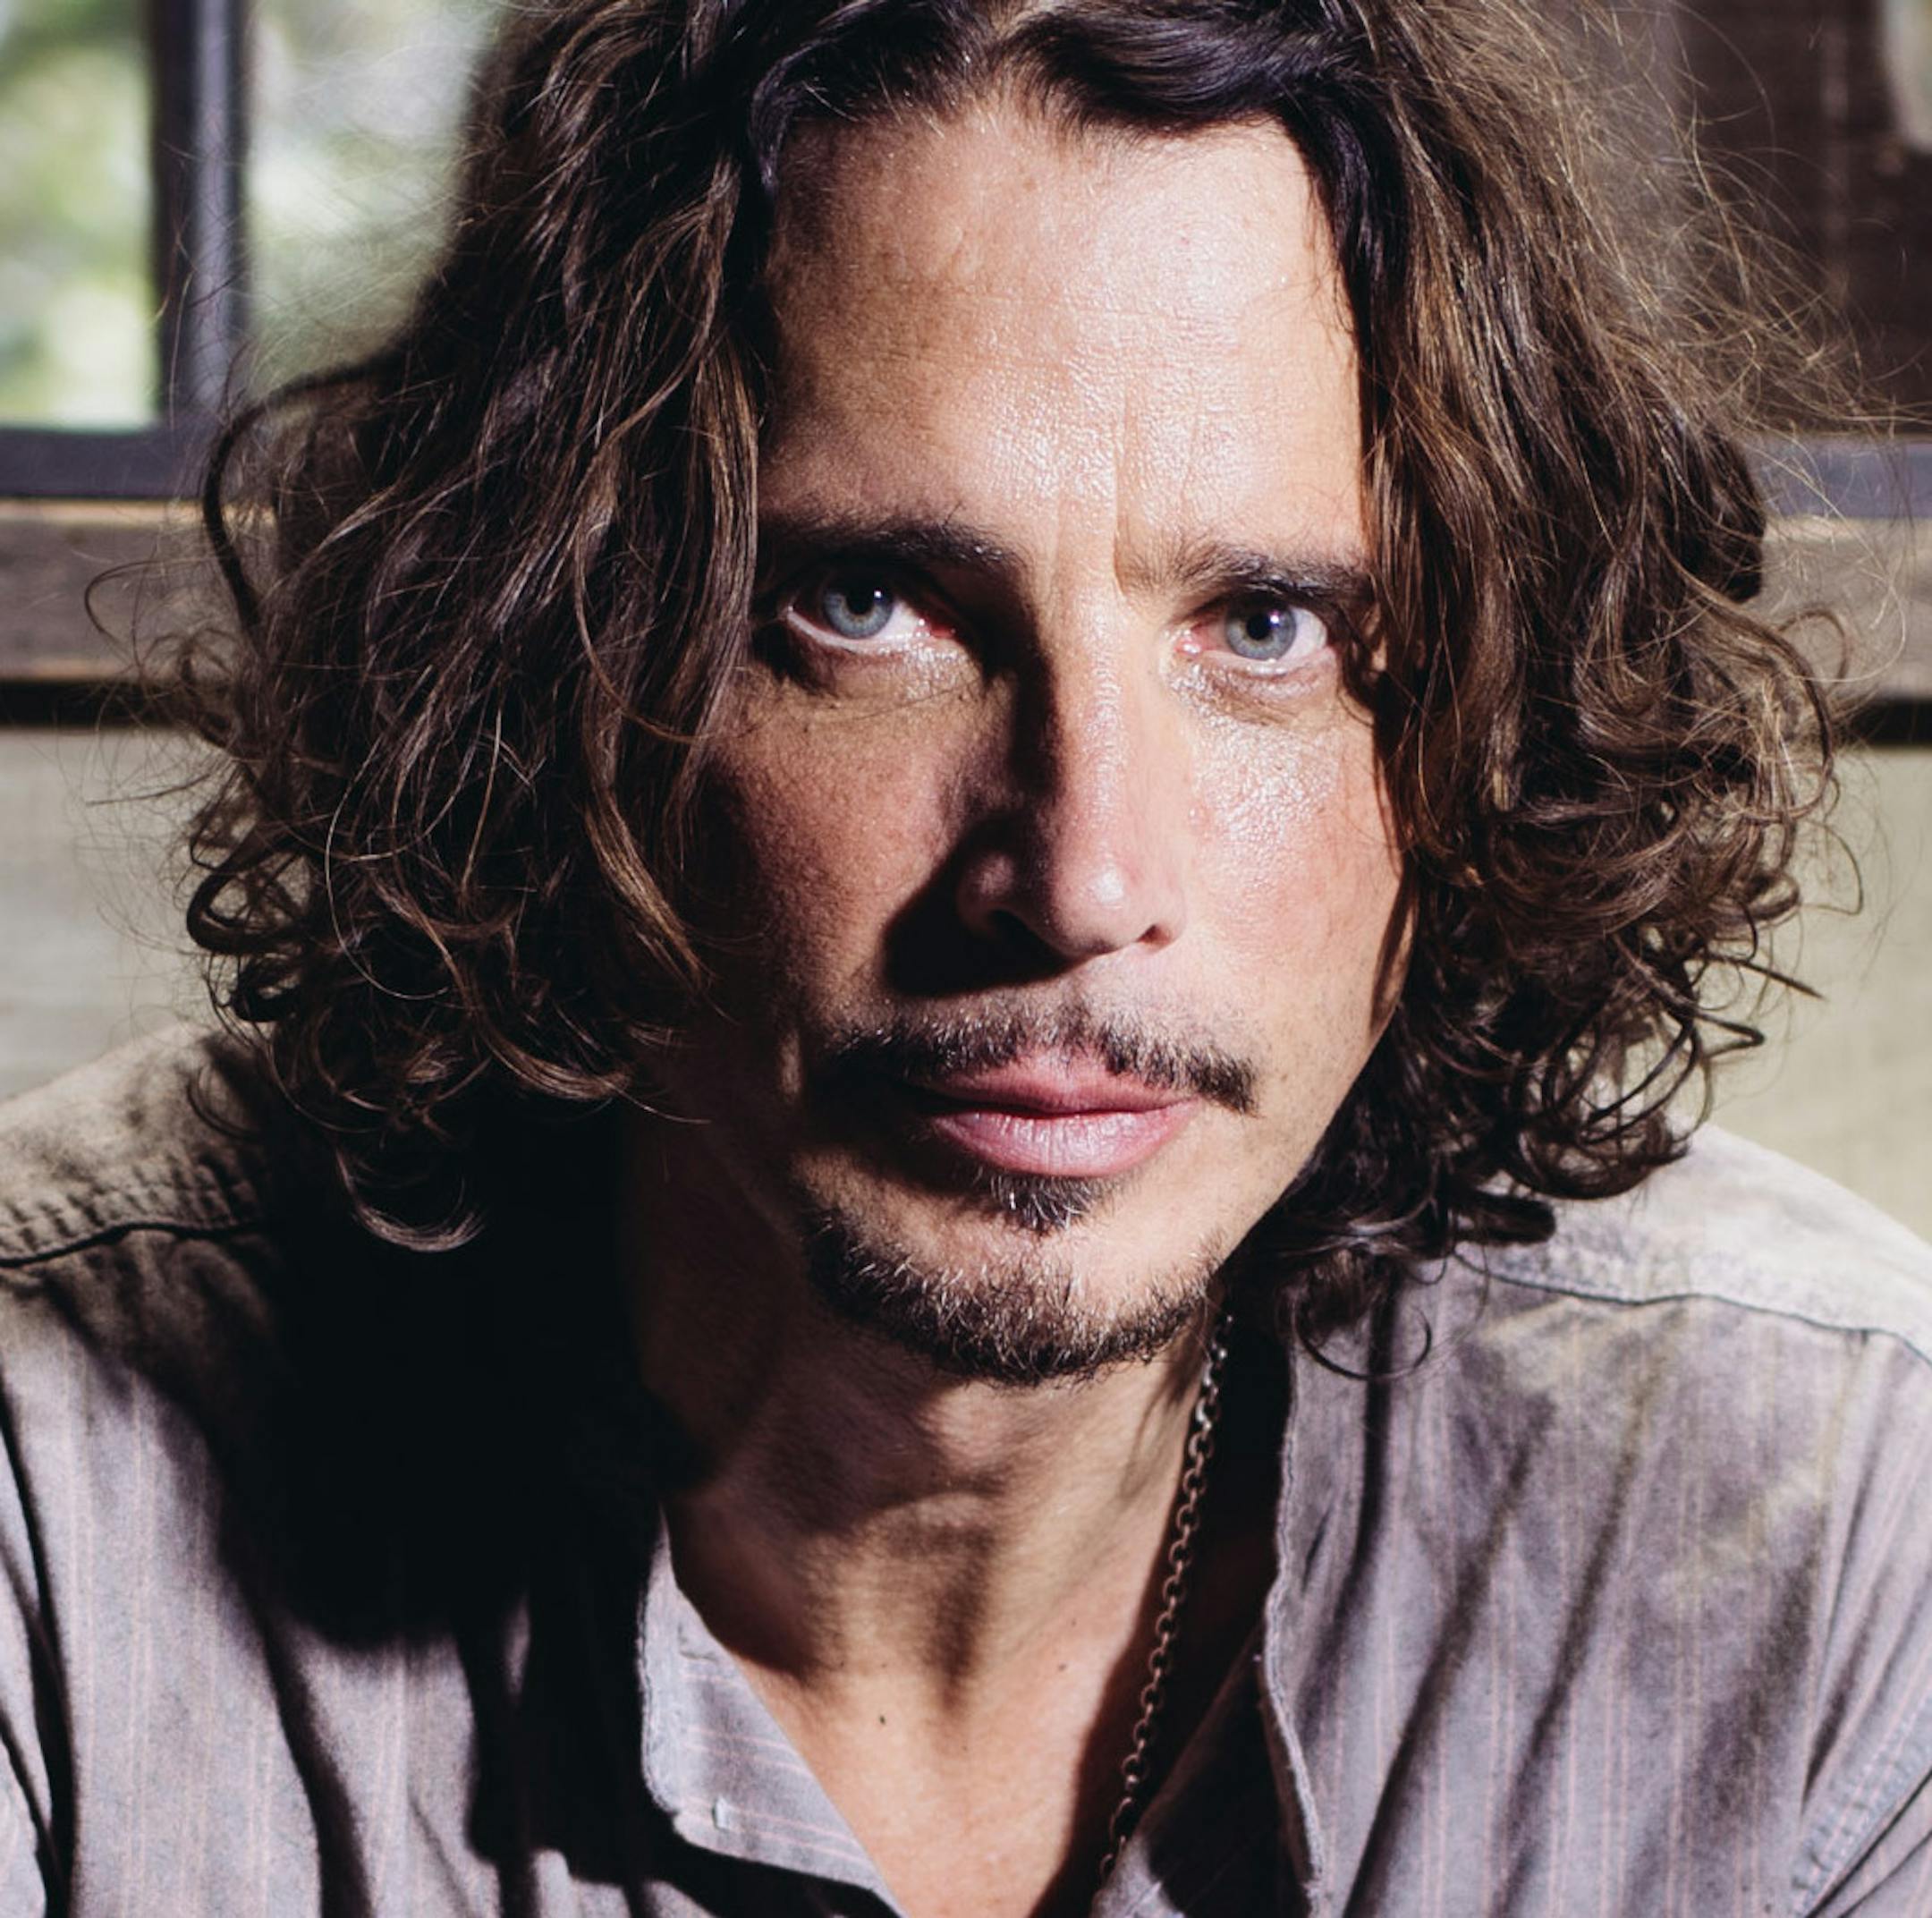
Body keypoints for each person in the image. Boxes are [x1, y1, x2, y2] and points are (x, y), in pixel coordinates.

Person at [0, 0, 1927, 1912]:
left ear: (1486, 727)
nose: (1080, 876)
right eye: (869, 605)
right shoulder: (53, 1480)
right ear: (548, 657)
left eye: (1265, 624)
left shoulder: (1828, 1529)